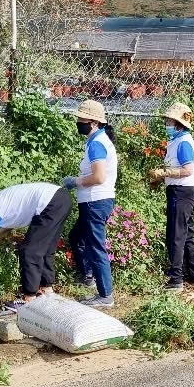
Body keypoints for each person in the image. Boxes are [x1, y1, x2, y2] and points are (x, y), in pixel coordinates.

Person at [0, 183, 71, 308]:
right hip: (61, 198)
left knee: (29, 251)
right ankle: (46, 291)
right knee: (46, 249)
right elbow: (3, 231)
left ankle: (29, 300)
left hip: (49, 203)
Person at [62, 100, 118, 308]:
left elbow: (99, 177)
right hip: (94, 201)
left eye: (81, 119)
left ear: (94, 122)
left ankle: (105, 295)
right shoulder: (96, 140)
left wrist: (75, 182)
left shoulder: (97, 144)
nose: (78, 122)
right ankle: (88, 276)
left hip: (96, 201)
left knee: (96, 246)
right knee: (76, 236)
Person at [147, 102, 194, 292]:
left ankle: (176, 279)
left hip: (181, 193)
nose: (166, 124)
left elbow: (188, 170)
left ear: (179, 123)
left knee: (176, 236)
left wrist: (164, 173)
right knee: (187, 235)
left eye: (169, 121)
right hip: (183, 192)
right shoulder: (177, 141)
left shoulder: (183, 142)